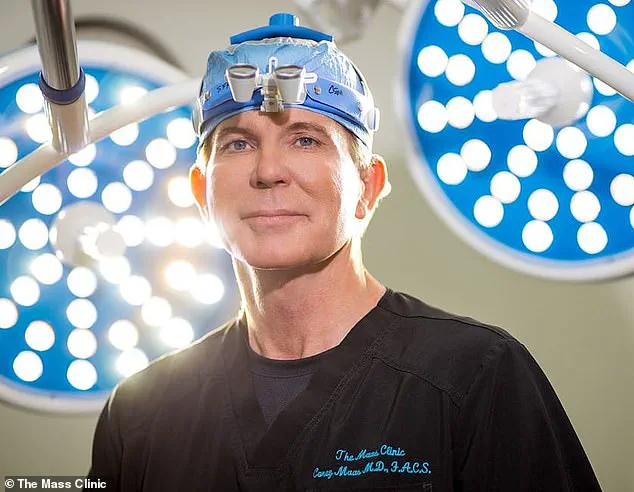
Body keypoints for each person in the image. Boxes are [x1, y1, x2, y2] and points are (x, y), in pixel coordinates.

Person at [86, 12, 603, 491]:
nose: (268, 171)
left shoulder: (473, 375)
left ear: (367, 188)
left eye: (305, 140)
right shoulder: (141, 415)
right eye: (238, 144)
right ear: (202, 193)